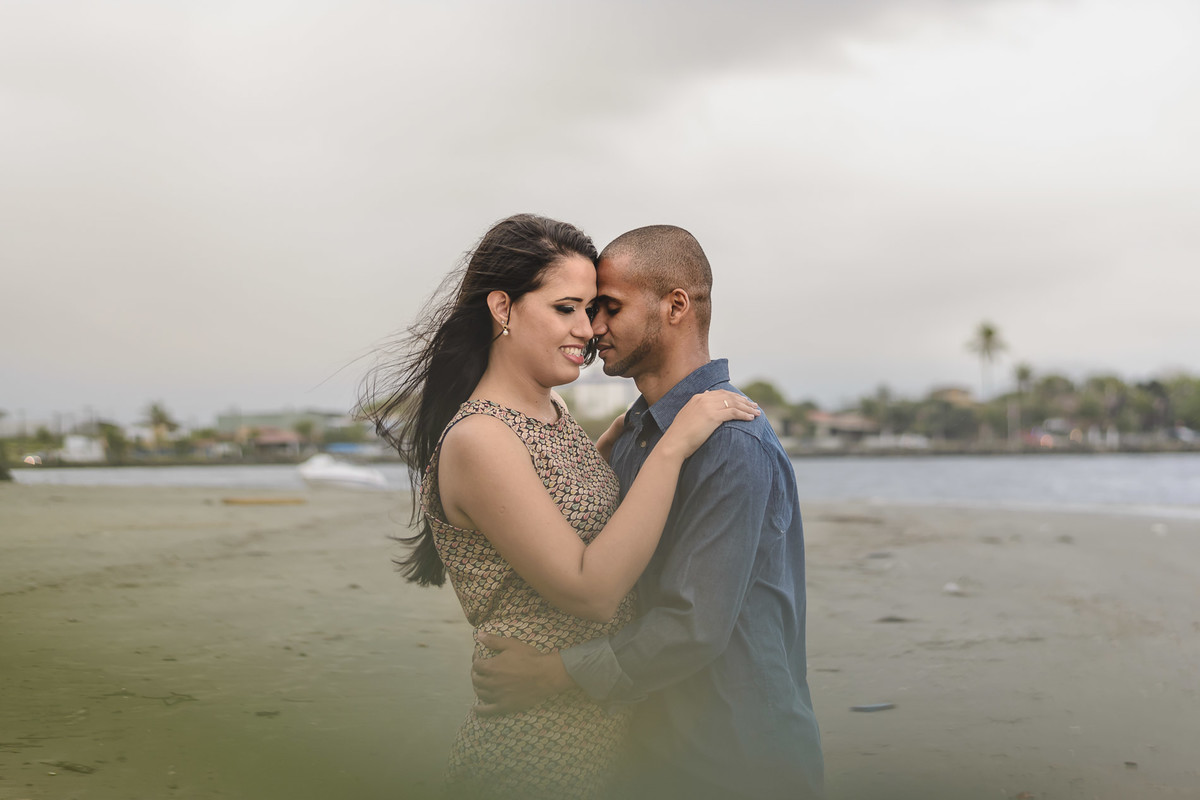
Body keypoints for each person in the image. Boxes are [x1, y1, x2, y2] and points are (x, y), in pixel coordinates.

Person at [359, 214, 758, 799]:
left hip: (603, 740)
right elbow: (590, 591)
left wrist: (621, 442)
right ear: (503, 309)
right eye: (566, 308)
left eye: (596, 309)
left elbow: (564, 504)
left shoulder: (550, 413)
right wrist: (672, 447)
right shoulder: (480, 439)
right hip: (536, 750)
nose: (589, 330)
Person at [471, 225, 825, 799]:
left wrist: (551, 674)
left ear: (676, 306)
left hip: (737, 757)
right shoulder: (639, 432)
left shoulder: (730, 441)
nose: (592, 329)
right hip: (654, 749)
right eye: (584, 309)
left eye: (608, 308)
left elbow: (693, 626)